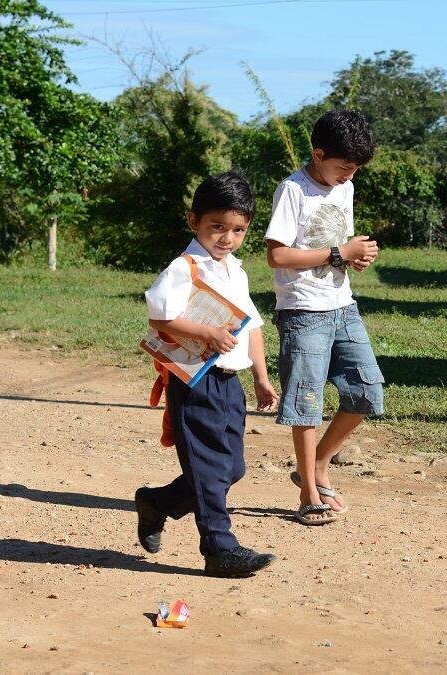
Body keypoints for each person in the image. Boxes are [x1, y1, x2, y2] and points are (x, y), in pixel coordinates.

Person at [134, 171, 280, 578]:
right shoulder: (185, 268)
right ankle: (219, 549)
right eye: (217, 227)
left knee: (231, 468)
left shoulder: (235, 269)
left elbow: (250, 324)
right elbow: (160, 316)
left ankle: (158, 502)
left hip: (228, 383)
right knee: (210, 468)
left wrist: (261, 378)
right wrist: (206, 333)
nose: (227, 238)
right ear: (193, 221)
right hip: (194, 380)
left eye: (238, 230)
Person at [264, 109, 384, 526]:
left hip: (342, 305)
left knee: (367, 392)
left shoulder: (343, 188)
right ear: (318, 153)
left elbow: (338, 246)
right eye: (343, 167)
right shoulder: (293, 191)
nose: (349, 176)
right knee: (307, 403)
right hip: (302, 311)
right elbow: (276, 255)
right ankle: (309, 495)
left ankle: (315, 465)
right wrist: (338, 254)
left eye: (354, 170)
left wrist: (355, 257)